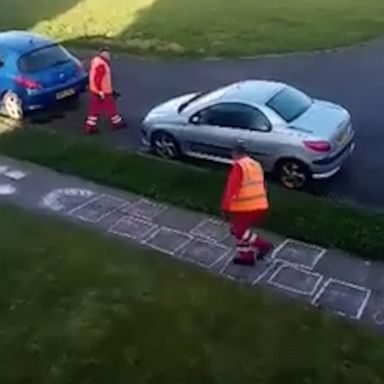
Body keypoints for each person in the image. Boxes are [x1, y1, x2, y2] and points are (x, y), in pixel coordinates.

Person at [221, 143, 274, 265]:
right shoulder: (255, 164)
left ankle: (263, 245)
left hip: (245, 206)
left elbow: (231, 188)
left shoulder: (239, 166)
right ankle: (246, 257)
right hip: (259, 203)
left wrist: (225, 207)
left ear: (235, 153)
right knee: (241, 230)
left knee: (238, 230)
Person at [84, 48, 126, 134]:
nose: (109, 57)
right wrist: (101, 92)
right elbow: (98, 79)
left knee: (94, 109)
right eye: (108, 55)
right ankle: (117, 123)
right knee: (111, 108)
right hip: (103, 92)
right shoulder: (102, 65)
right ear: (103, 55)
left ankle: (90, 126)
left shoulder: (96, 61)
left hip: (95, 90)